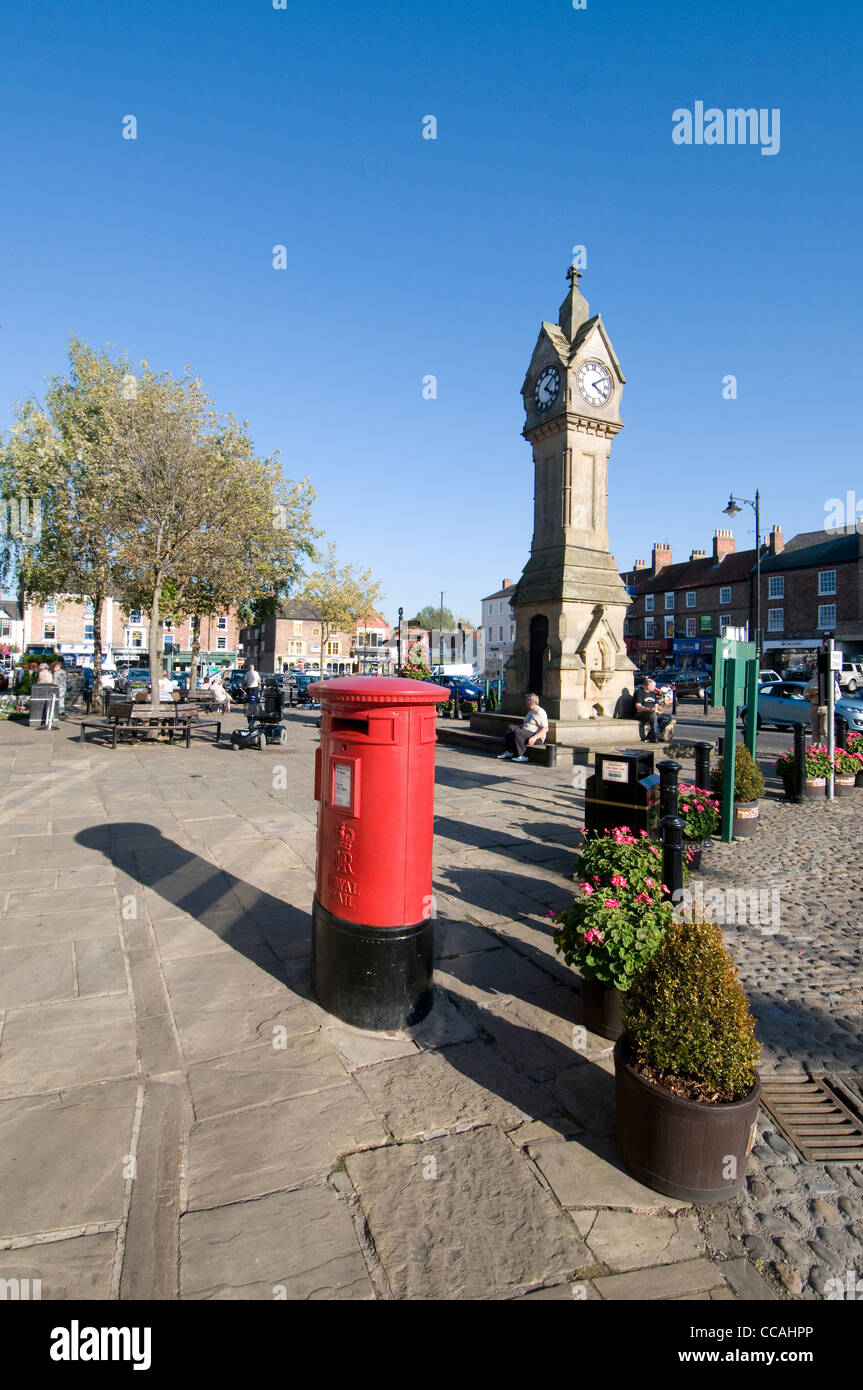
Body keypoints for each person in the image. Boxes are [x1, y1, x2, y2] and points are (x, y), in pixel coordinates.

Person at [498, 693, 548, 762]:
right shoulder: (531, 711)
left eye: (526, 701)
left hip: (536, 737)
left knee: (518, 732)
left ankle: (523, 755)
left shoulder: (539, 712)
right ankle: (509, 752)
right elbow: (528, 724)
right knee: (510, 728)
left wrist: (534, 737)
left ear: (530, 702)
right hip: (527, 732)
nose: (525, 702)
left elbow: (545, 728)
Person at [634, 677, 673, 743]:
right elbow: (638, 706)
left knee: (667, 717)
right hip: (641, 713)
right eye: (653, 686)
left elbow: (655, 704)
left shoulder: (652, 693)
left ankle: (652, 735)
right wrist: (648, 709)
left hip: (652, 712)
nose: (654, 687)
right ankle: (655, 736)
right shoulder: (639, 692)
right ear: (647, 686)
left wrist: (657, 708)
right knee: (653, 715)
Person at [805, 670, 840, 741]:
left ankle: (833, 748)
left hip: (826, 707)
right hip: (814, 706)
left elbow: (837, 695)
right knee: (815, 730)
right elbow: (805, 693)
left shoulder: (832, 682)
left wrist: (829, 696)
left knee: (825, 730)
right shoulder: (812, 682)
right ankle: (816, 750)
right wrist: (808, 696)